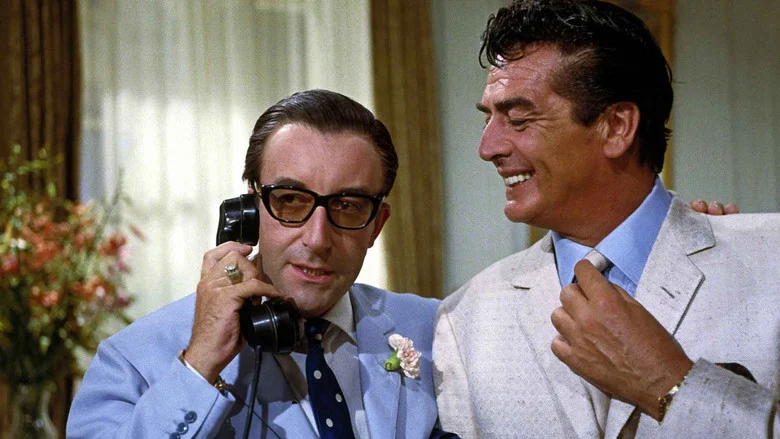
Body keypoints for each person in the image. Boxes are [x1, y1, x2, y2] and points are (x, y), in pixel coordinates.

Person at [433, 1, 780, 437]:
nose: (488, 148)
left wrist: (667, 383)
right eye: (488, 119)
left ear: (617, 127)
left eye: (518, 119)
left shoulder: (771, 261)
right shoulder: (466, 317)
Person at [67, 90, 442, 438]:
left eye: (347, 206)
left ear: (377, 225)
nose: (317, 239)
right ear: (250, 211)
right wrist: (200, 364)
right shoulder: (131, 359)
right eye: (290, 200)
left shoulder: (437, 330)